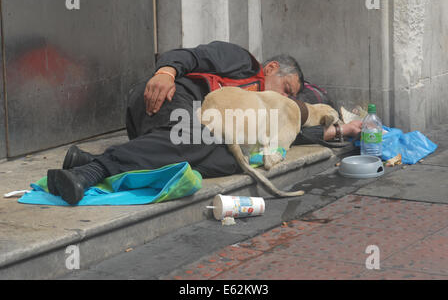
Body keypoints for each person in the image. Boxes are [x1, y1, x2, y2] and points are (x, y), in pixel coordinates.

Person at [47, 41, 362, 205]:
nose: (287, 98)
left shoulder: (268, 110)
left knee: (233, 158)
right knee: (195, 137)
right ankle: (93, 172)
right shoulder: (239, 61)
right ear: (271, 68)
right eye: (287, 90)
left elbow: (286, 132)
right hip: (171, 96)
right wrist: (166, 72)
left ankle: (86, 162)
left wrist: (336, 130)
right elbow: (189, 56)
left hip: (185, 132)